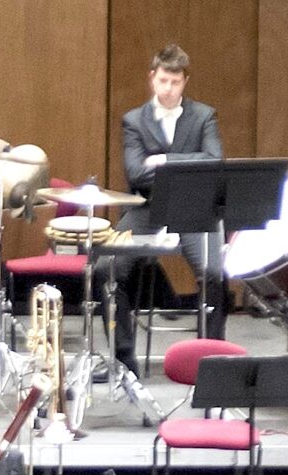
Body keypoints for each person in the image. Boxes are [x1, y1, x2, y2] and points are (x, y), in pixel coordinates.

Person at [101, 43, 230, 375]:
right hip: (146, 208)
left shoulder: (204, 116)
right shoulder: (133, 120)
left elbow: (214, 160)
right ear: (152, 79)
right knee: (107, 268)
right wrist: (185, 164)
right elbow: (136, 173)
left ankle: (210, 358)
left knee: (215, 274)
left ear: (185, 81)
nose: (168, 89)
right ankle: (123, 357)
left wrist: (164, 160)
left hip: (193, 209)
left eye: (175, 82)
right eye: (163, 81)